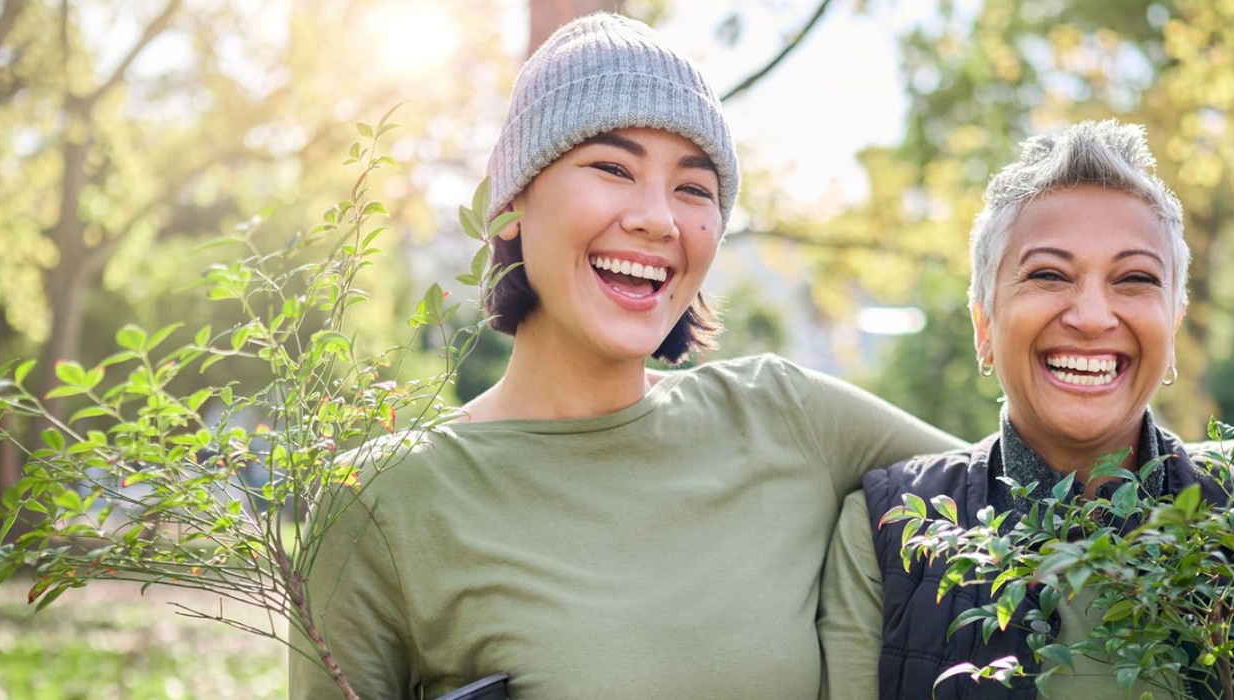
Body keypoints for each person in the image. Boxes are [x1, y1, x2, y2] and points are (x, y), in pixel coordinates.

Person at [287, 15, 964, 699]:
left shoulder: (791, 418)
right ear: (511, 200)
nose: (658, 218)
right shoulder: (381, 502)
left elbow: (1043, 507)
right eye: (612, 168)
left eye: (694, 189)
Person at [816, 121, 1234, 699]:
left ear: (1173, 329)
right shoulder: (886, 531)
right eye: (1048, 274)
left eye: (1135, 278)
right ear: (985, 327)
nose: (1094, 316)